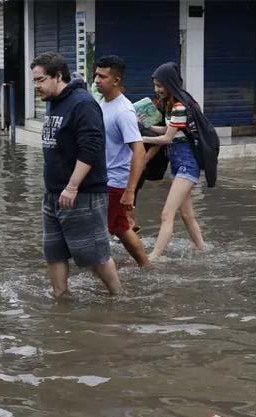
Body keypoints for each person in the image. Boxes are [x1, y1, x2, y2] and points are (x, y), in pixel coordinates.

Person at [30, 52, 123, 297]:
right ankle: (61, 298)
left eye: (40, 80)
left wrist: (72, 186)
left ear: (58, 76)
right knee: (54, 251)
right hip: (53, 194)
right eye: (35, 81)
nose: (36, 86)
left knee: (95, 254)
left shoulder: (83, 104)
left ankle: (119, 298)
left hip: (83, 194)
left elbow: (91, 148)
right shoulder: (52, 100)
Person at [142, 62, 206, 259]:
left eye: (160, 85)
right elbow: (170, 130)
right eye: (155, 85)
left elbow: (167, 139)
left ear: (170, 84)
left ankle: (153, 258)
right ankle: (203, 250)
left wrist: (141, 138)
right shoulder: (175, 105)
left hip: (187, 164)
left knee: (166, 214)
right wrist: (145, 126)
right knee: (186, 215)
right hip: (179, 165)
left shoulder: (179, 106)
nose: (157, 90)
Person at [93, 55, 150, 267]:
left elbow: (139, 150)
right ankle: (144, 266)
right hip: (101, 178)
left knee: (117, 227)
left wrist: (130, 190)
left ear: (116, 80)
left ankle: (141, 266)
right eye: (96, 75)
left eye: (102, 76)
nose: (97, 80)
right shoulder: (101, 103)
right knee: (119, 227)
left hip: (115, 181)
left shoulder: (123, 111)